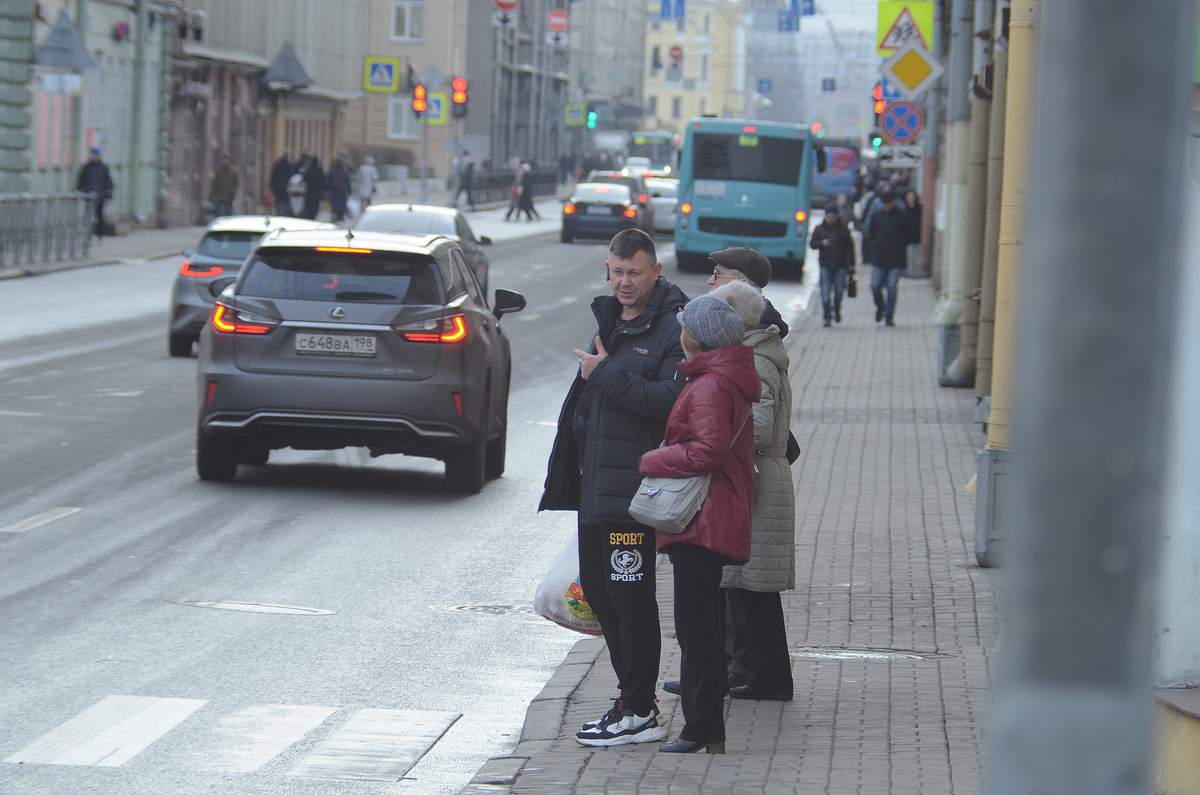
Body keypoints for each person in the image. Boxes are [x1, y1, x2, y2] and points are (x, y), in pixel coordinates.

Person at [540, 228, 688, 748]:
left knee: (631, 599)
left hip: (635, 495)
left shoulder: (673, 329)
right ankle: (630, 700)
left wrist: (603, 374)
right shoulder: (612, 320)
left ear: (656, 272)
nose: (623, 282)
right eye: (616, 271)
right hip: (595, 489)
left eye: (634, 273)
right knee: (601, 596)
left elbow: (670, 404)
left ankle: (640, 709)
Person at [639, 293, 761, 754]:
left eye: (685, 325)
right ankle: (705, 729)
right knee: (701, 625)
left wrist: (653, 457)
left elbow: (706, 451)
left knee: (697, 629)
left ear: (696, 336)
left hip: (700, 518)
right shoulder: (722, 377)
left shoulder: (711, 384)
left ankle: (701, 728)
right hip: (710, 514)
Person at [863, 185, 920, 326]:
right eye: (884, 204)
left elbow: (911, 234)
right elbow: (871, 234)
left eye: (888, 203)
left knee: (891, 286)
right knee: (875, 286)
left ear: (894, 202)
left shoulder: (903, 216)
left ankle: (889, 315)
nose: (886, 206)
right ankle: (880, 306)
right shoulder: (877, 217)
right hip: (879, 258)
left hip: (896, 259)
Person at [810, 202, 856, 326]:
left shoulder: (843, 230)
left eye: (833, 215)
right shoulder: (819, 229)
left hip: (841, 265)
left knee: (839, 291)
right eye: (828, 215)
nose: (830, 218)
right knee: (825, 293)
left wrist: (852, 264)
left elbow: (850, 247)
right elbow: (812, 244)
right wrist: (822, 243)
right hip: (825, 265)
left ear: (836, 216)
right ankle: (827, 316)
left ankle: (836, 309)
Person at [77, 147, 114, 241]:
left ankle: (100, 236)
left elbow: (108, 183)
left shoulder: (103, 168)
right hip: (88, 196)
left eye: (96, 155)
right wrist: (82, 192)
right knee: (88, 216)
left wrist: (108, 196)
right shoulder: (87, 168)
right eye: (93, 155)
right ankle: (87, 236)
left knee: (100, 217)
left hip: (100, 196)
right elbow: (81, 181)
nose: (94, 157)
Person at [209, 152, 239, 218]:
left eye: (227, 160)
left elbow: (236, 184)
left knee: (229, 215)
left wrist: (233, 193)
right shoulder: (219, 171)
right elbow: (215, 184)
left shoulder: (234, 172)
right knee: (219, 215)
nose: (225, 162)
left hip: (229, 198)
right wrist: (212, 195)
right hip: (220, 197)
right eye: (224, 160)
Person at [298, 155, 325, 221]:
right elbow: (323, 181)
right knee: (315, 206)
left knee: (309, 206)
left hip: (310, 192)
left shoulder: (309, 170)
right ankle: (313, 216)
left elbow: (304, 180)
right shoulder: (319, 170)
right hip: (317, 192)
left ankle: (309, 216)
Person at [327, 155, 352, 222]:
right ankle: (341, 216)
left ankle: (335, 214)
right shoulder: (344, 170)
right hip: (342, 190)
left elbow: (329, 180)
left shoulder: (332, 169)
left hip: (334, 190)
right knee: (342, 204)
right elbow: (347, 181)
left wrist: (329, 188)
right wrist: (349, 190)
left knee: (335, 203)